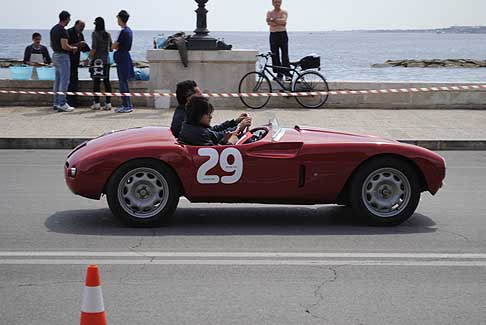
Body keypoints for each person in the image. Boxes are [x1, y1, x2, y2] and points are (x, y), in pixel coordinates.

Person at [178, 96, 252, 146]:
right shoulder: (199, 134)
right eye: (208, 114)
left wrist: (235, 122)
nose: (210, 116)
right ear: (198, 115)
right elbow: (218, 153)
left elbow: (215, 130)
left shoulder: (190, 126)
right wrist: (232, 137)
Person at [50, 10, 78, 112]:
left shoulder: (53, 29)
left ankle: (56, 103)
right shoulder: (62, 31)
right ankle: (62, 103)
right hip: (63, 56)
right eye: (69, 19)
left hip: (55, 55)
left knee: (57, 81)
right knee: (64, 81)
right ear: (66, 19)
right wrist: (73, 48)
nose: (69, 21)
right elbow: (64, 46)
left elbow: (51, 44)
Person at [85, 17, 113, 111]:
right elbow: (111, 48)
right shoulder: (108, 34)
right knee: (106, 82)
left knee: (96, 82)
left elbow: (94, 48)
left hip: (97, 61)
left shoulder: (95, 34)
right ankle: (108, 103)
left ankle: (96, 103)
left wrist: (88, 59)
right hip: (106, 61)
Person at [112, 10, 135, 113]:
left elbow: (115, 45)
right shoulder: (129, 31)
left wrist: (112, 46)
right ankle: (127, 104)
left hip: (122, 58)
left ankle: (126, 105)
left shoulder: (124, 32)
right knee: (124, 82)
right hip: (124, 57)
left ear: (120, 19)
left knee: (122, 82)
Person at [67, 20, 90, 107]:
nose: (82, 29)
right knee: (69, 82)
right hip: (68, 60)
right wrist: (78, 44)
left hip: (76, 61)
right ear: (76, 25)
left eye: (83, 28)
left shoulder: (80, 35)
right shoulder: (68, 32)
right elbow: (66, 46)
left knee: (74, 81)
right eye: (81, 27)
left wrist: (90, 56)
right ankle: (69, 102)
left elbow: (85, 48)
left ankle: (73, 101)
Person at [266, 0, 291, 81]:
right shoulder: (269, 12)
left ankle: (287, 74)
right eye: (276, 2)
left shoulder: (284, 12)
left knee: (284, 54)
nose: (277, 4)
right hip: (273, 35)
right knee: (274, 55)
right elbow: (269, 23)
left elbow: (283, 21)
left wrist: (273, 20)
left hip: (282, 34)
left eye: (279, 2)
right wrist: (278, 22)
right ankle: (279, 74)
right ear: (273, 3)